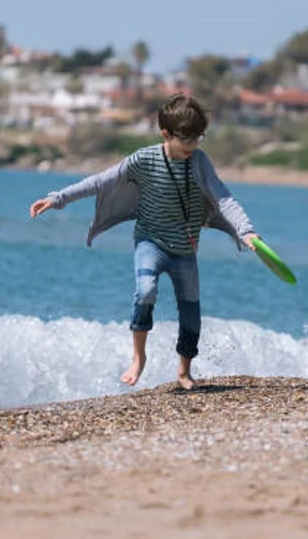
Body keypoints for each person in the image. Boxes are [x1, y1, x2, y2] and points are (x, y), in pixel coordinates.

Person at [29, 94, 260, 390]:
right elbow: (101, 181)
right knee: (146, 290)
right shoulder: (145, 159)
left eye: (198, 138)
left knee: (190, 312)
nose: (193, 145)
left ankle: (184, 371)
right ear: (166, 133)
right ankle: (138, 358)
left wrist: (246, 230)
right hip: (151, 242)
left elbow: (223, 197)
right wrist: (57, 198)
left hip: (186, 249)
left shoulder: (200, 162)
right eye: (186, 139)